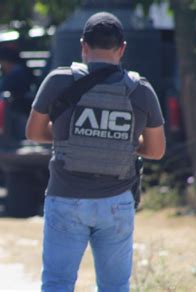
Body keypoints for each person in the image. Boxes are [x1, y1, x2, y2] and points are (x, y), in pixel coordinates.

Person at [26, 12, 166, 291]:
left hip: (65, 198)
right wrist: (119, 142)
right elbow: (156, 150)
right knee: (115, 287)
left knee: (57, 283)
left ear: (83, 46)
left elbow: (33, 132)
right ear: (122, 48)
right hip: (116, 201)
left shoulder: (58, 81)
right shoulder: (141, 90)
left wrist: (72, 136)